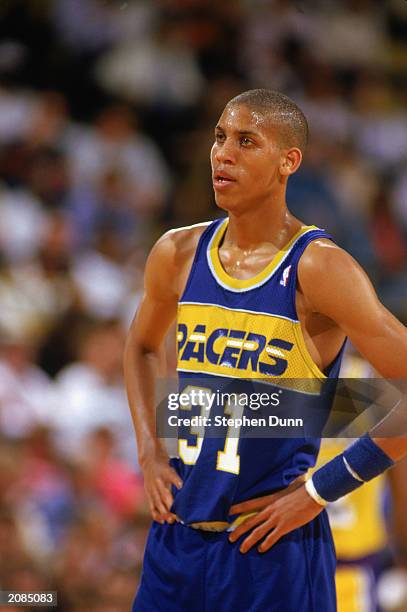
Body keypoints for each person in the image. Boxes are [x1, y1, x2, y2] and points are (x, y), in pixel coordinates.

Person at [124, 89, 407, 611]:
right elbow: (141, 345)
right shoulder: (176, 253)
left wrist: (319, 491)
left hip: (271, 549)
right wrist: (148, 450)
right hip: (176, 541)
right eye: (219, 137)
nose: (222, 153)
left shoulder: (319, 268)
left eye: (245, 141)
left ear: (288, 162)